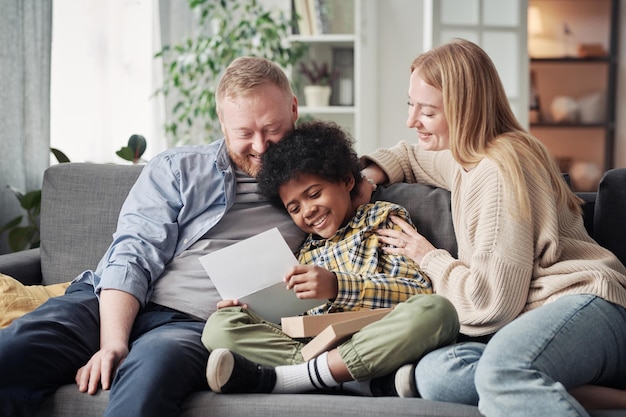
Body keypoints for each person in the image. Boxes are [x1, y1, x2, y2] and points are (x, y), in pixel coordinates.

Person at [0, 56, 307, 417]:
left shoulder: (323, 183)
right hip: (105, 305)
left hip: (197, 325)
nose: (260, 146)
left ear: (294, 110)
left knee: (147, 379)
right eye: (244, 133)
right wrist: (113, 343)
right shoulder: (179, 168)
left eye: (273, 128)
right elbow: (132, 254)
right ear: (222, 123)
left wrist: (374, 172)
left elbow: (385, 164)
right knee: (12, 353)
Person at [358, 38, 626, 416]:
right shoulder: (468, 156)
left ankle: (523, 380)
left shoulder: (500, 168)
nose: (411, 120)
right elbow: (410, 156)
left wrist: (427, 256)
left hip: (587, 305)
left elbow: (490, 304)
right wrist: (368, 176)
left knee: (501, 372)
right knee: (437, 375)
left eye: (428, 112)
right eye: (410, 104)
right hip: (533, 320)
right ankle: (585, 395)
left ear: (463, 109)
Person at [202, 120, 459, 397]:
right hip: (317, 346)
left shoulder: (382, 219)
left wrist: (338, 287)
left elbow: (417, 291)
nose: (308, 211)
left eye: (314, 194)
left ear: (347, 181)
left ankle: (297, 378)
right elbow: (290, 322)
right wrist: (249, 308)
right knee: (219, 326)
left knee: (437, 311)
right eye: (294, 208)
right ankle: (348, 380)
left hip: (375, 337)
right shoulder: (302, 252)